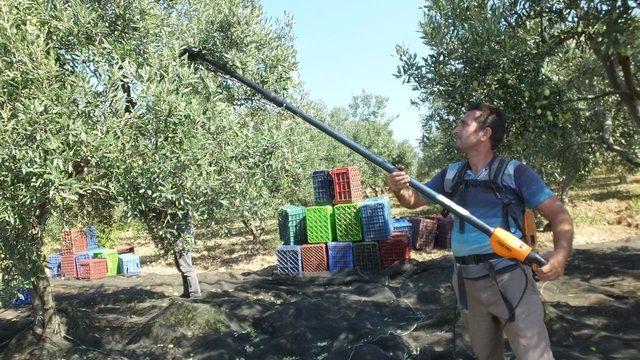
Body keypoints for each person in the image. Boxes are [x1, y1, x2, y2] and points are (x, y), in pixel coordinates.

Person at [387, 103, 573, 360]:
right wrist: (398, 186)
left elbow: (558, 214)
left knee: (534, 355)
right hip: (466, 280)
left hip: (510, 276)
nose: (455, 130)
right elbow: (413, 199)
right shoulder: (451, 174)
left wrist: (561, 255)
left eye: (464, 124)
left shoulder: (514, 172)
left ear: (485, 134)